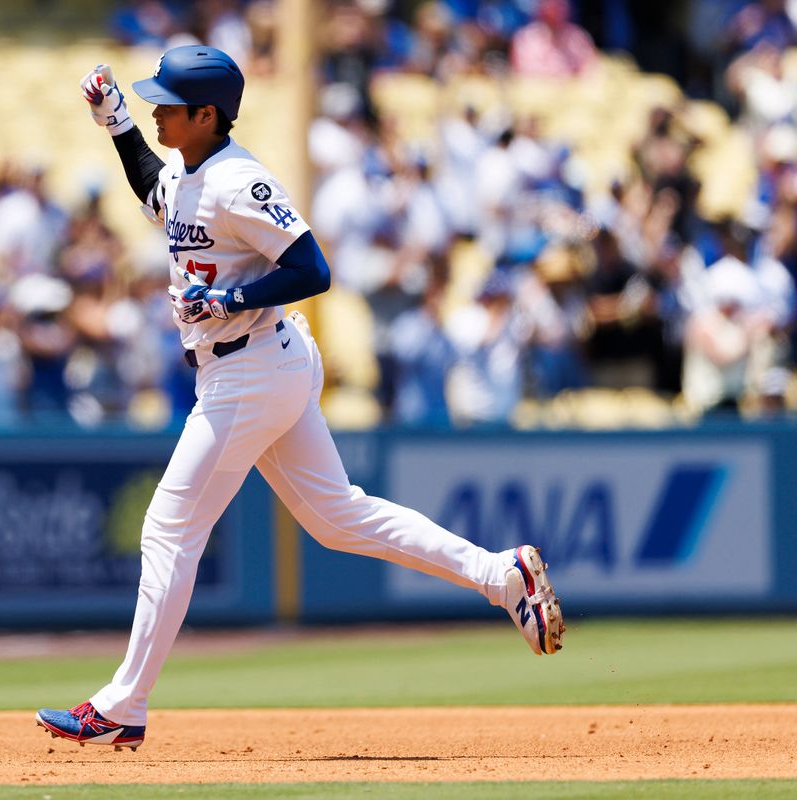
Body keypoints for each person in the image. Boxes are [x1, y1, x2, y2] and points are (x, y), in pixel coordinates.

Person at [35, 46, 565, 751]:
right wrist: (117, 124)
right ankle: (501, 576)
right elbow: (155, 192)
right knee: (337, 518)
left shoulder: (237, 179)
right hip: (255, 365)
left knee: (168, 529)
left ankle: (123, 705)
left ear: (207, 113)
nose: (157, 110)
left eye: (168, 103)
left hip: (249, 370)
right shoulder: (192, 173)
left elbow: (312, 266)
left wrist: (232, 295)